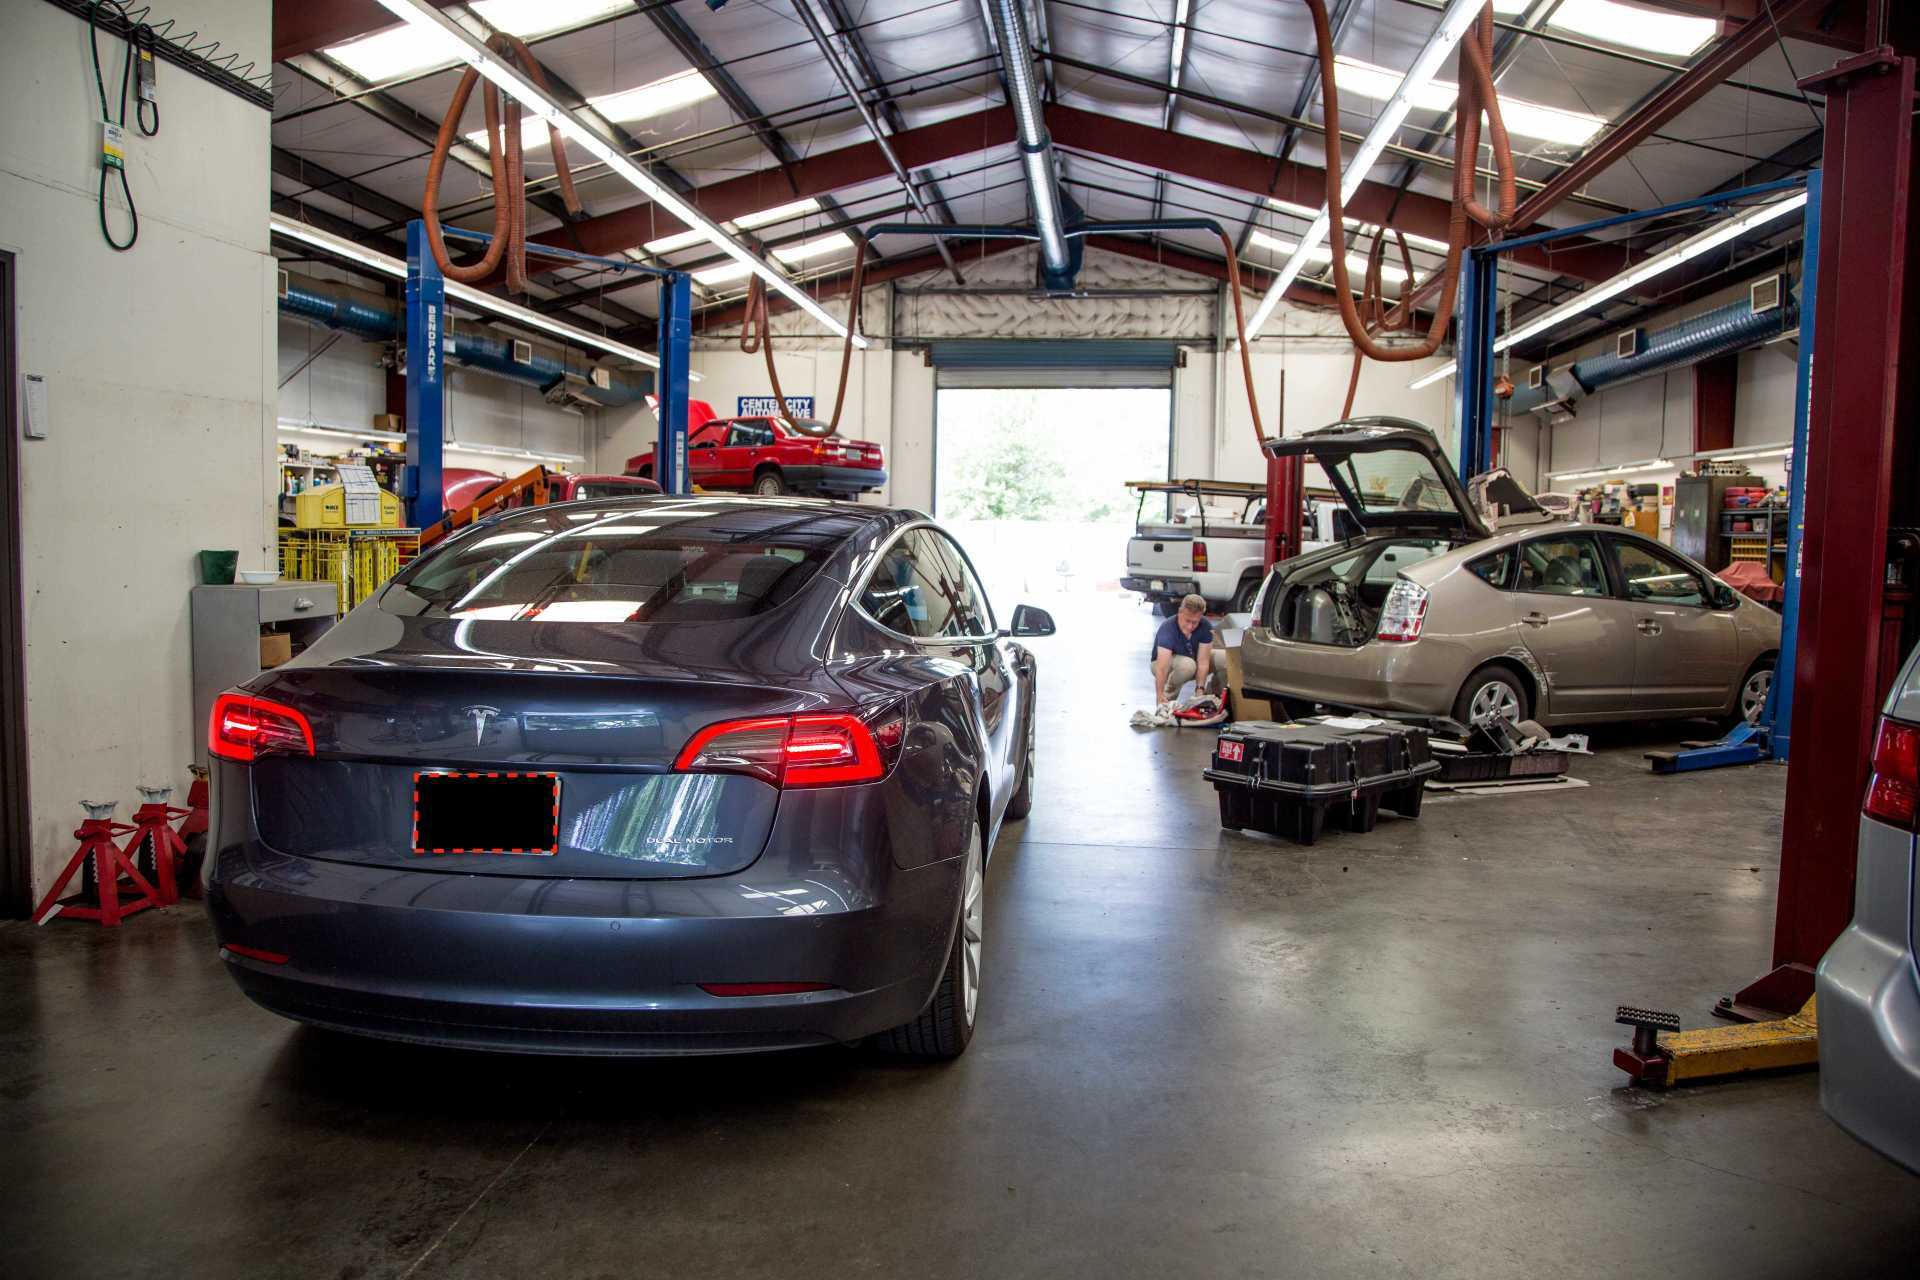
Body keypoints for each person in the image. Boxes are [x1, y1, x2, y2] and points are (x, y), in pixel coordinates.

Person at [1150, 594, 1214, 704]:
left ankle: (1210, 701)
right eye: (1187, 621)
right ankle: (1166, 701)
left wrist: (1200, 689)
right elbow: (1162, 667)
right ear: (1180, 612)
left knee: (1224, 659)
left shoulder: (1205, 626)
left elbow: (1203, 662)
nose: (1190, 627)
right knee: (1187, 666)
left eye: (1195, 622)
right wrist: (1159, 694)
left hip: (1192, 661)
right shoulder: (1168, 628)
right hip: (1162, 664)